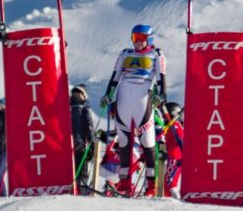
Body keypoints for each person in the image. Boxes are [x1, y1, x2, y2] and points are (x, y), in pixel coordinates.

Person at [102, 24, 167, 198]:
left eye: (141, 38)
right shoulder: (125, 53)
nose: (137, 42)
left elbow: (161, 79)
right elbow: (115, 77)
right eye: (134, 38)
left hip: (142, 99)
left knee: (147, 141)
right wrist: (108, 95)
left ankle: (151, 186)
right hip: (123, 99)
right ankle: (124, 183)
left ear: (149, 39)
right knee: (124, 142)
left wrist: (162, 95)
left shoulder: (156, 54)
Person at [70, 85, 101, 194]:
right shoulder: (84, 107)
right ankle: (81, 192)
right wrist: (92, 143)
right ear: (83, 95)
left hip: (66, 146)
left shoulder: (66, 107)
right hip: (80, 145)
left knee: (71, 172)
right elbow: (89, 126)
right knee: (81, 173)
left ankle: (72, 191)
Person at [160, 101, 185, 198]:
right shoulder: (170, 126)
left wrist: (183, 156)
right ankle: (169, 203)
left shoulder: (175, 124)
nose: (162, 117)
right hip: (173, 157)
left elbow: (180, 139)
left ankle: (178, 203)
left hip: (176, 158)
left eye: (164, 114)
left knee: (171, 184)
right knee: (167, 185)